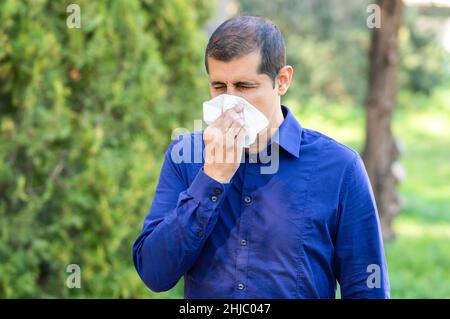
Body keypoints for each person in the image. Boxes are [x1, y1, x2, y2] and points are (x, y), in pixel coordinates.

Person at [132, 15, 390, 299]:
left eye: (244, 86)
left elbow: (367, 289)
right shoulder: (186, 157)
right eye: (219, 87)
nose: (230, 102)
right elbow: (155, 273)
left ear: (282, 81)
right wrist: (211, 179)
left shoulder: (340, 167)